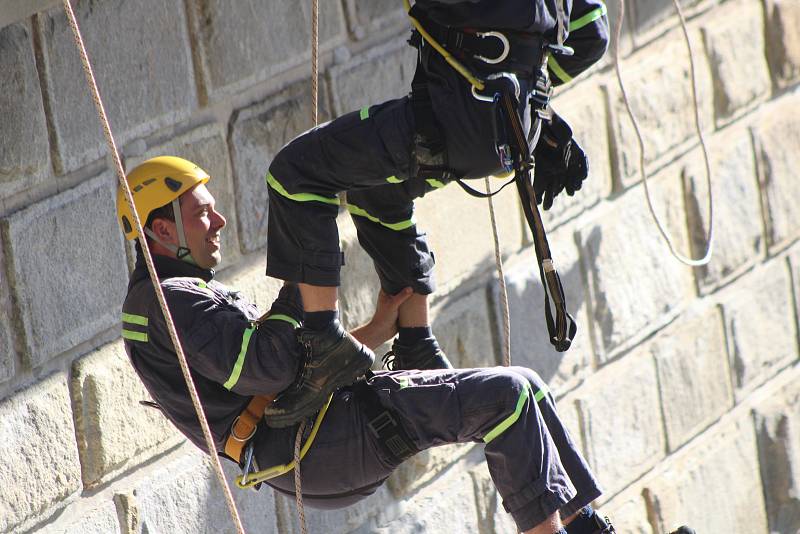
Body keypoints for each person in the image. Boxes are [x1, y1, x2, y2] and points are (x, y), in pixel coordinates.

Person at [118, 157, 694, 534]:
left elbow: (283, 377)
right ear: (161, 230)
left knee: (529, 391)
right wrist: (304, 279)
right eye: (200, 213)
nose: (217, 220)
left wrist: (373, 332)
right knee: (509, 395)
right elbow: (270, 368)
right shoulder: (169, 300)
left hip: (313, 441)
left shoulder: (176, 299)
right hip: (315, 445)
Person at [262, 0, 611, 425]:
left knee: (296, 173)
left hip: (454, 126)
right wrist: (530, 99)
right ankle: (415, 341)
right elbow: (592, 31)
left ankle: (323, 342)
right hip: (506, 130)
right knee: (377, 193)